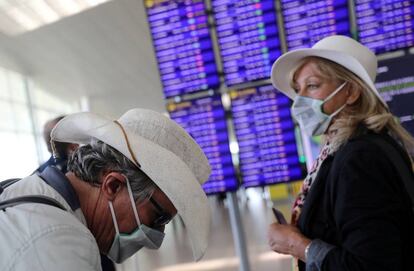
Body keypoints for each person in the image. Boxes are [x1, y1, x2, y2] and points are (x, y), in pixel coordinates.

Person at [267, 35, 414, 270]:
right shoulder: (353, 148)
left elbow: (370, 265)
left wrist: (297, 245)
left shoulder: (360, 159)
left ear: (352, 92)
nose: (300, 100)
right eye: (298, 89)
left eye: (313, 85)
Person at [0, 108, 211, 270]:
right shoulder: (62, 246)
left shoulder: (28, 195)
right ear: (113, 185)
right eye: (159, 218)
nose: (156, 238)